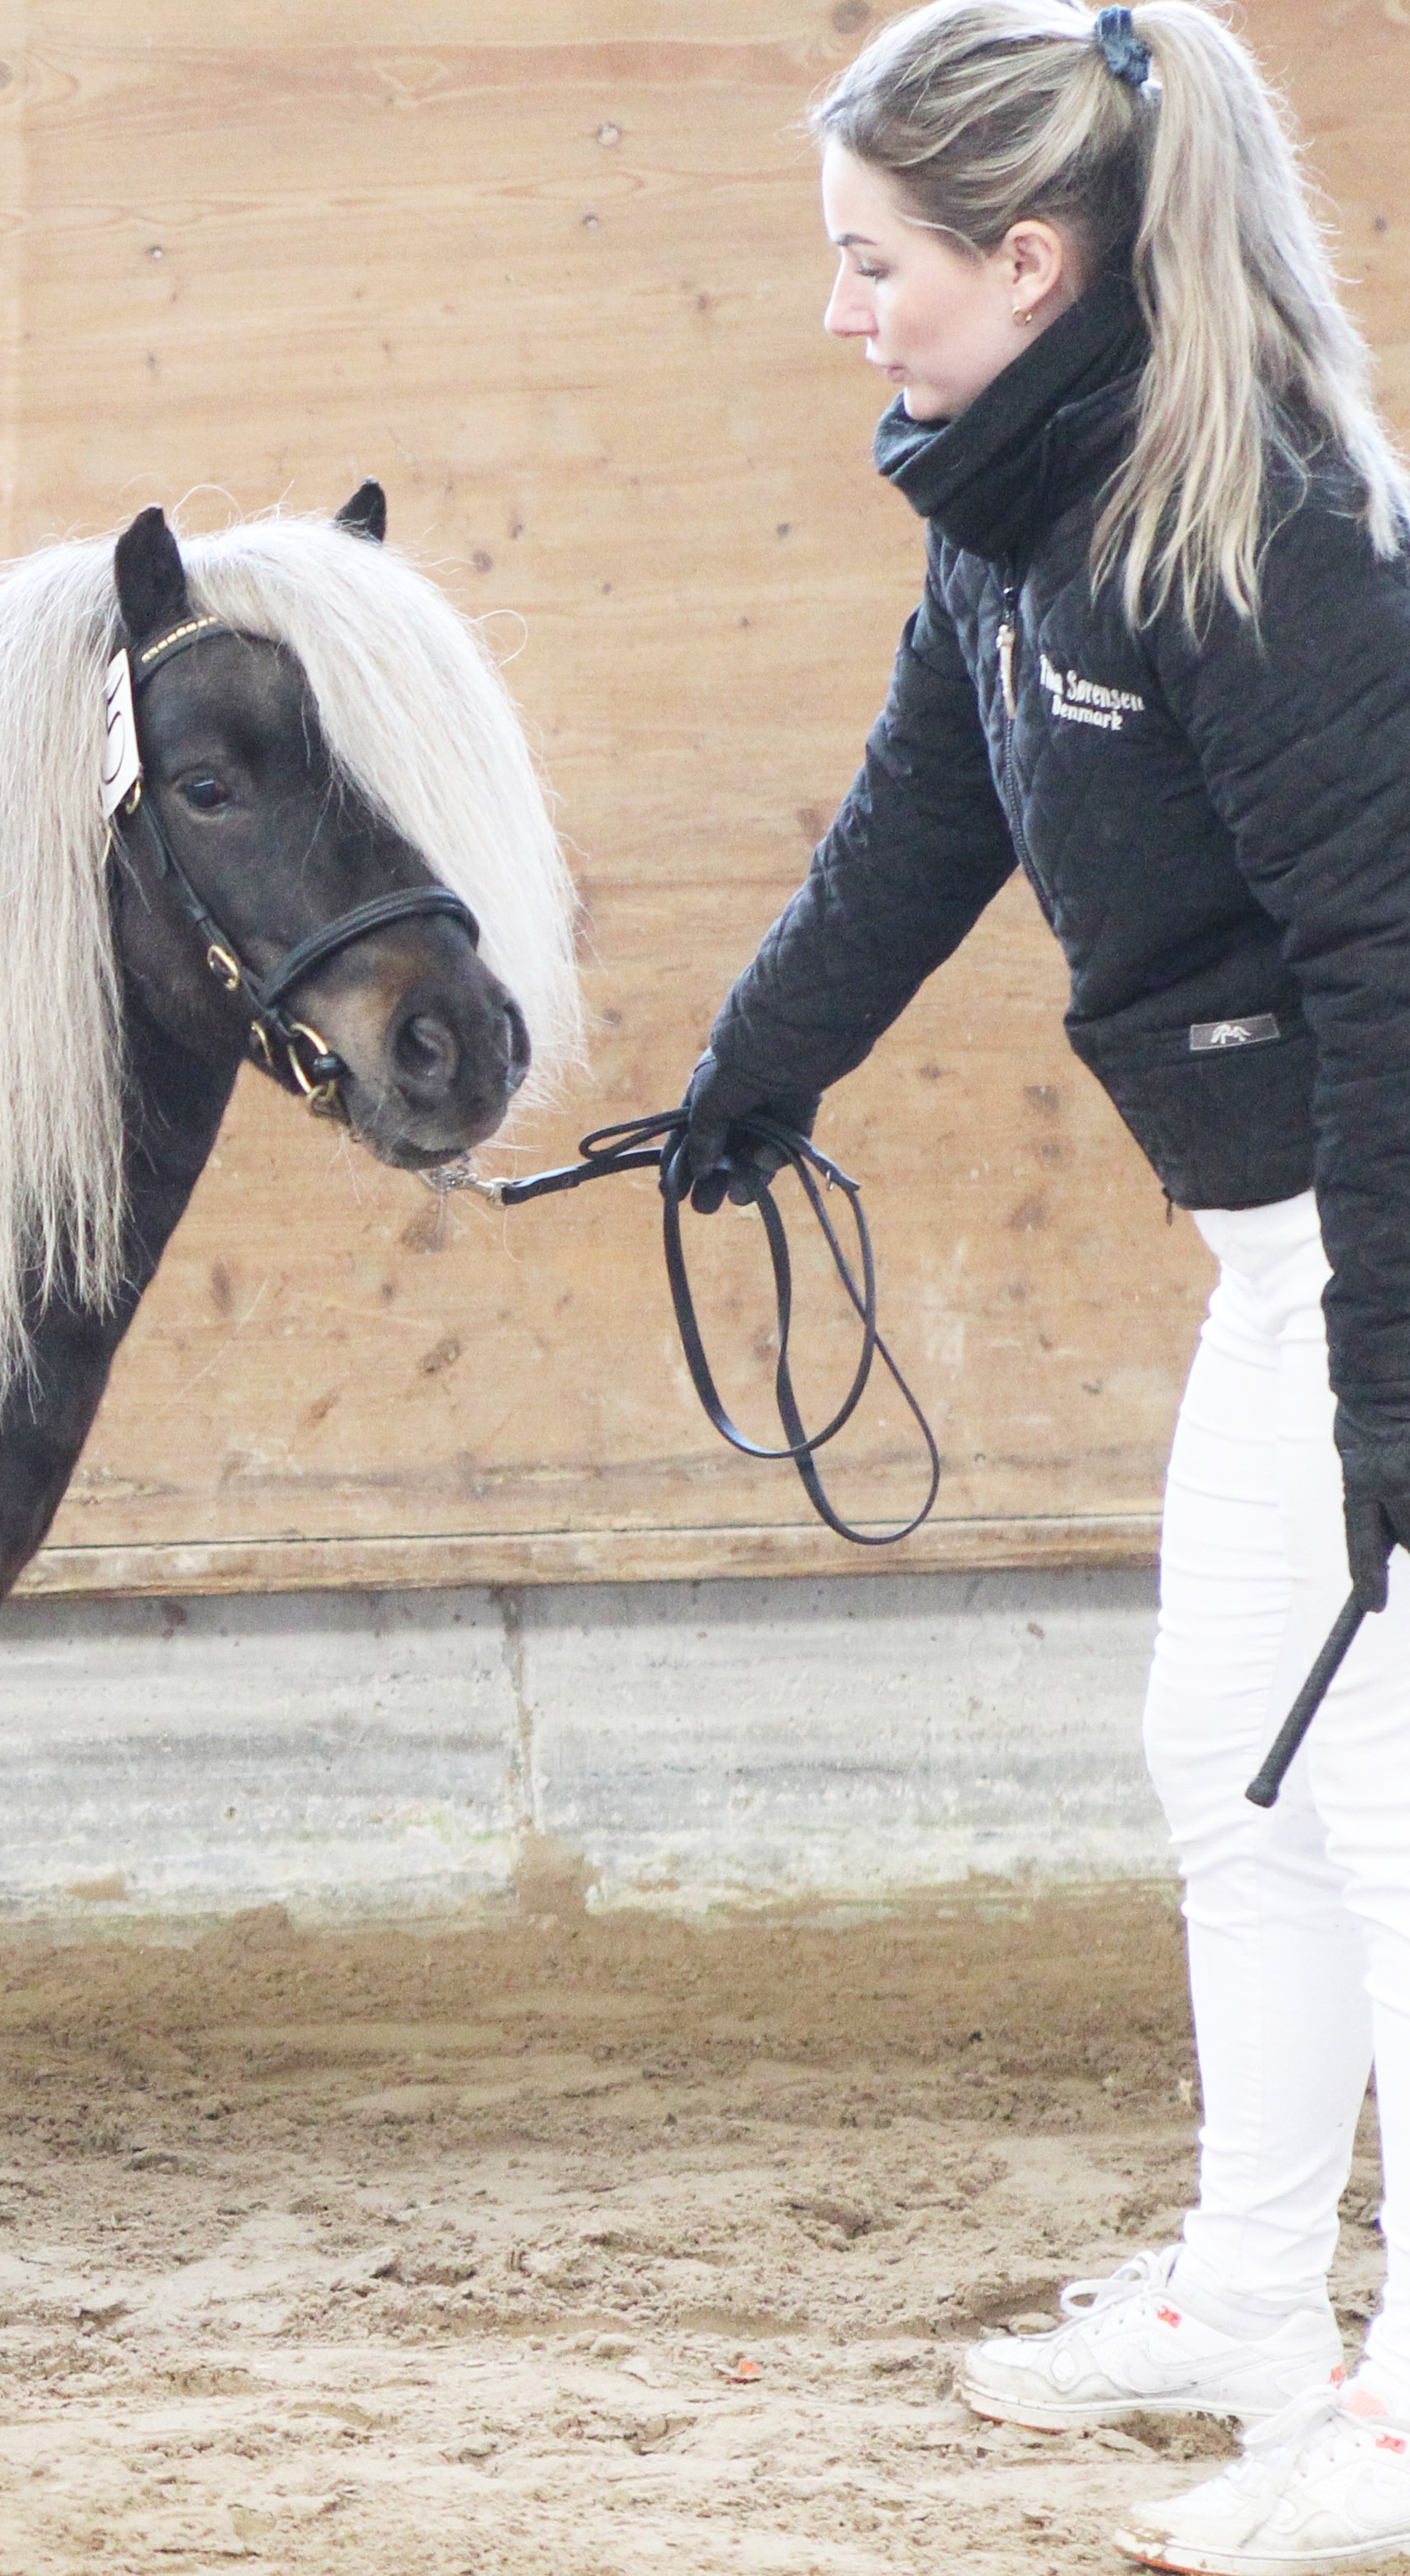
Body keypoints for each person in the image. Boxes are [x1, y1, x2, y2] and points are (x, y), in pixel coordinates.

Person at [668, 4, 1410, 2566]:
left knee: (1394, 1815)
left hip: (1385, 1241)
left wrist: (1401, 1389)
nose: (843, 315)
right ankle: (1243, 2303)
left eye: (875, 265)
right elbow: (922, 814)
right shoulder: (1013, 508)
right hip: (1282, 1252)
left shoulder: (1266, 524)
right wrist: (753, 1075)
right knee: (1236, 1762)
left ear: (1033, 253)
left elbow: (1400, 957)